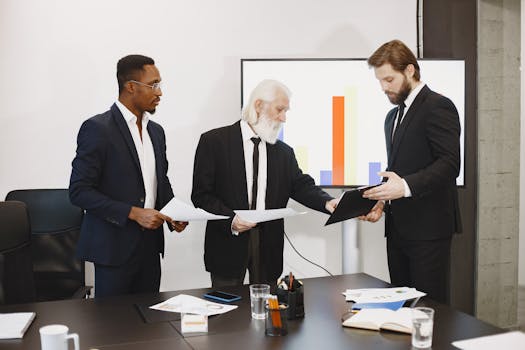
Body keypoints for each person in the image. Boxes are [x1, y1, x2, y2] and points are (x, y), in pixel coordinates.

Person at [191, 79, 339, 288]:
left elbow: (301, 185)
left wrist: (328, 202)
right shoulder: (214, 142)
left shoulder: (283, 151)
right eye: (280, 110)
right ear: (259, 105)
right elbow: (201, 195)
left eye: (286, 111)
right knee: (226, 313)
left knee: (267, 314)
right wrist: (231, 220)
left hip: (268, 247)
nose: (284, 118)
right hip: (227, 244)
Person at [69, 54, 188, 298]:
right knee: (113, 330)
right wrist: (134, 213)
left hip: (150, 249)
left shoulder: (156, 132)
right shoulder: (97, 129)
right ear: (131, 86)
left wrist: (173, 213)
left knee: (149, 325)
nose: (160, 93)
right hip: (113, 250)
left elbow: (159, 182)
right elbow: (79, 191)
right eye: (154, 85)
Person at [361, 40, 462, 303]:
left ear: (409, 70)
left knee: (430, 311)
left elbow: (450, 164)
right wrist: (383, 199)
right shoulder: (392, 117)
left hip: (429, 230)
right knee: (401, 309)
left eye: (389, 80)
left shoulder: (439, 106)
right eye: (380, 81)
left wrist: (404, 187)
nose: (384, 87)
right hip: (397, 230)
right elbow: (399, 169)